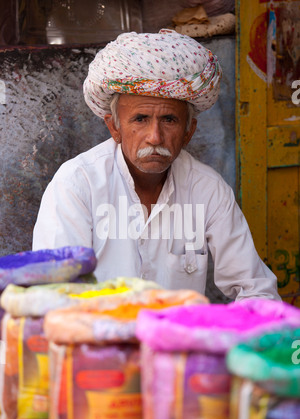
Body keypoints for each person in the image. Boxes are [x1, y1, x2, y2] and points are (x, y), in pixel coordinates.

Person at [32, 29, 281, 301]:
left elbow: (256, 290)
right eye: (140, 119)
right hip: (96, 338)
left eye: (169, 120)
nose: (155, 137)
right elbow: (54, 295)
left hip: (177, 342)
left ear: (189, 132)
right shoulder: (77, 184)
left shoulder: (208, 190)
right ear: (114, 127)